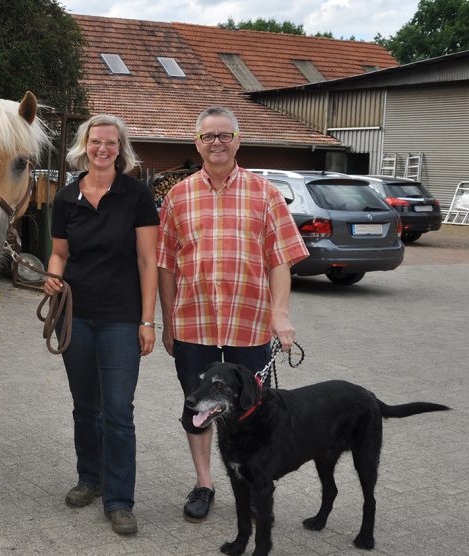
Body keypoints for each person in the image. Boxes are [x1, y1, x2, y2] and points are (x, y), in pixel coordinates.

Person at [156, 106, 309, 523]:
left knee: (251, 410)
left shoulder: (266, 194)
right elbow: (166, 265)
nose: (217, 142)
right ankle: (205, 484)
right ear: (197, 144)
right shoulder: (177, 196)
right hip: (194, 324)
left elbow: (281, 259)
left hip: (249, 326)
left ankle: (252, 482)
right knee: (199, 408)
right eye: (209, 136)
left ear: (238, 141)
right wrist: (169, 322)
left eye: (225, 135)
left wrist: (280, 314)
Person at [42, 114, 160, 536]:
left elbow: (148, 261)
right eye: (96, 142)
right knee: (84, 406)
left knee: (117, 411)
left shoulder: (137, 195)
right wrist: (53, 275)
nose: (103, 149)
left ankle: (119, 499)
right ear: (84, 145)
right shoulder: (67, 197)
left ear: (121, 148)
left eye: (111, 142)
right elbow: (59, 253)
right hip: (75, 318)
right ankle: (89, 479)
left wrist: (148, 321)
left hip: (121, 320)